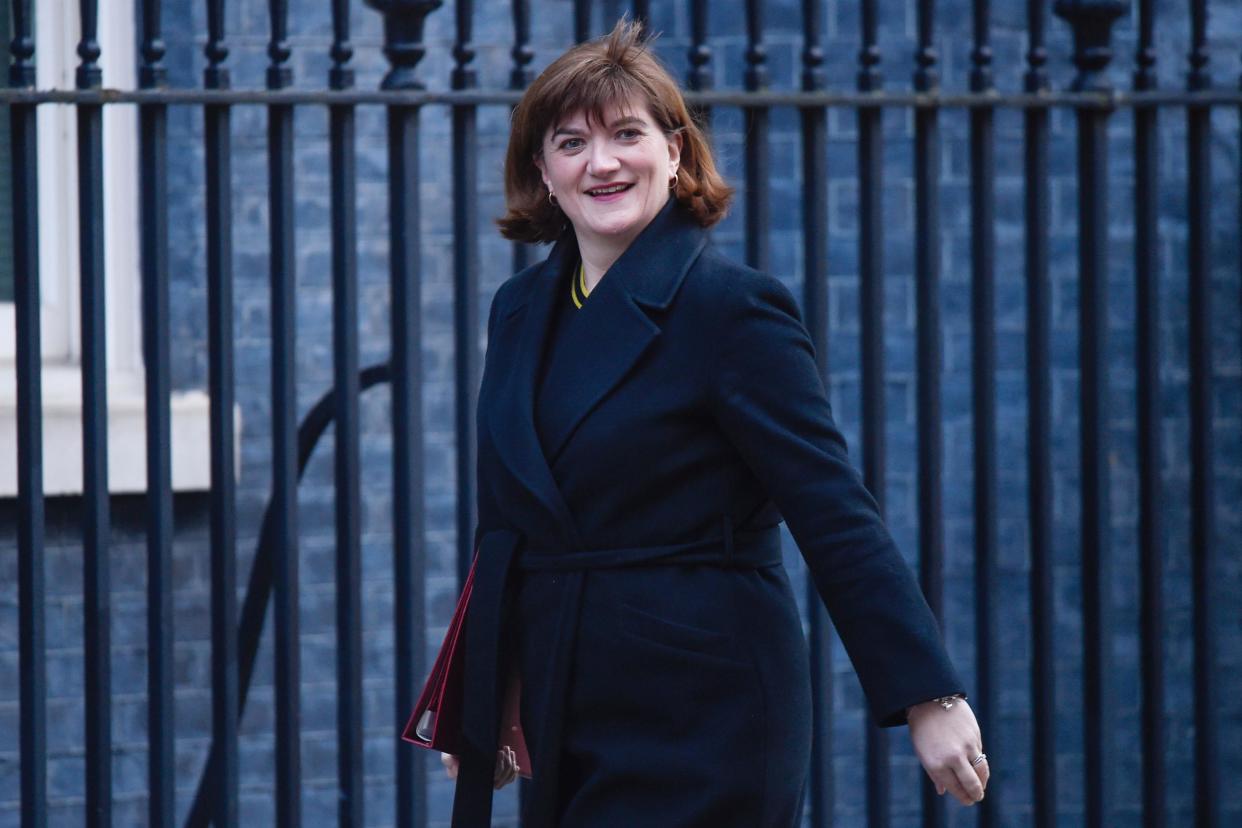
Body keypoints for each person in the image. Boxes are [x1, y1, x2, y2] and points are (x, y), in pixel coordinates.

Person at [441, 19, 988, 827]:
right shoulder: (520, 311)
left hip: (706, 702)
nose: (602, 162)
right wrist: (484, 685)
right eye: (570, 142)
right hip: (566, 696)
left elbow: (833, 510)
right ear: (542, 171)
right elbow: (508, 522)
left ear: (674, 151)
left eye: (627, 133)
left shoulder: (731, 308)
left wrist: (927, 694)